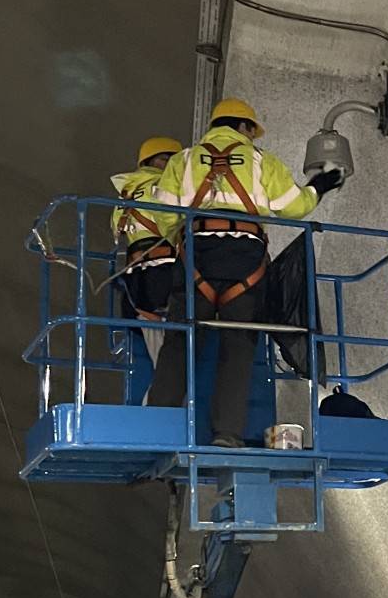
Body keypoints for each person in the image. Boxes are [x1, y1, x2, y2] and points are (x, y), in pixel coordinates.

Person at [147, 98, 343, 445]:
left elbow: (163, 217)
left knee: (179, 345)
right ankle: (227, 434)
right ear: (244, 127)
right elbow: (293, 207)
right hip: (245, 261)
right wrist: (321, 185)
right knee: (238, 348)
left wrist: (188, 238)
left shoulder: (183, 161)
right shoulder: (260, 161)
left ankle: (157, 429)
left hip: (197, 256)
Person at [111, 136, 183, 365]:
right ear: (150, 162)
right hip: (164, 277)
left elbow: (117, 232)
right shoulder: (164, 188)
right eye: (166, 159)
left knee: (159, 349)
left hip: (136, 283)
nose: (172, 166)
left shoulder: (125, 197)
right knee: (170, 356)